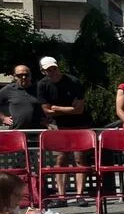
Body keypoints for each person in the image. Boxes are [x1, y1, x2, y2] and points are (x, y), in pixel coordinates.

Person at [37, 57, 93, 205]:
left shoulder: (74, 82)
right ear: (43, 71)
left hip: (79, 125)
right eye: (49, 70)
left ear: (58, 67)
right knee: (60, 160)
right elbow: (47, 111)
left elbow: (79, 110)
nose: (53, 72)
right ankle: (61, 197)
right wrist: (69, 109)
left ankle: (80, 195)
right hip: (58, 126)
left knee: (80, 159)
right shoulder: (42, 85)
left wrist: (57, 108)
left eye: (54, 68)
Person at [0, 65, 45, 130]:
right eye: (20, 75)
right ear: (15, 76)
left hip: (38, 131)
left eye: (26, 75)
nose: (23, 77)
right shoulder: (8, 89)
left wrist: (48, 119)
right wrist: (3, 118)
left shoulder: (39, 89)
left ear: (30, 75)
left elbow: (51, 103)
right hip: (16, 131)